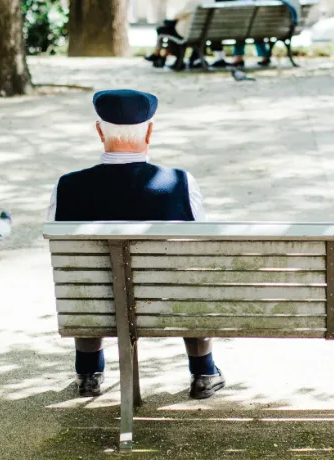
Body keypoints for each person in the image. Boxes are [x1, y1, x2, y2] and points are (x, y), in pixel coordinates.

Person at [47, 89, 226, 400]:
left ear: (100, 131)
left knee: (85, 279)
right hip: (168, 304)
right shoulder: (180, 183)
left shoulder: (67, 186)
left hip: (96, 306)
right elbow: (200, 243)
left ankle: (88, 372)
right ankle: (203, 371)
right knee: (191, 275)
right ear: (150, 131)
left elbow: (59, 249)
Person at [144, 0, 215, 70]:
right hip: (203, 32)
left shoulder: (194, 0)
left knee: (164, 28)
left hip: (188, 32)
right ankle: (161, 56)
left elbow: (179, 15)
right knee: (167, 28)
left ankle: (159, 55)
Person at [215, 0, 254, 68]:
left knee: (214, 23)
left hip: (232, 23)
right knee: (241, 23)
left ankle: (219, 57)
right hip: (247, 23)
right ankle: (239, 56)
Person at [250, 0, 285, 67]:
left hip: (265, 23)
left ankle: (265, 55)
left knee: (254, 31)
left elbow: (254, 1)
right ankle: (266, 55)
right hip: (277, 23)